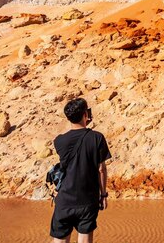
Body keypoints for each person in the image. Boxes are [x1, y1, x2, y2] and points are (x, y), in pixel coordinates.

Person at [50, 98, 111, 243]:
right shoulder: (97, 138)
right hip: (87, 201)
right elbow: (101, 169)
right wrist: (103, 195)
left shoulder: (59, 141)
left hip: (65, 200)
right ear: (86, 114)